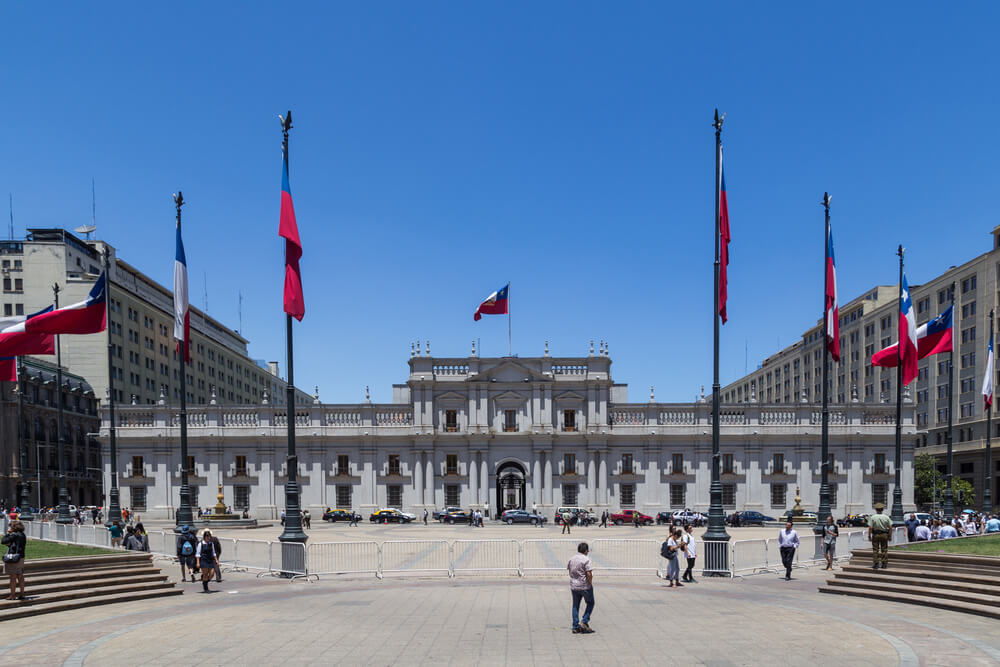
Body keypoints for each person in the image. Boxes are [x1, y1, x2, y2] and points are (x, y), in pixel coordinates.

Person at [567, 542, 595, 634]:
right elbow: (589, 573)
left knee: (575, 605)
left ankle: (575, 626)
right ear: (586, 551)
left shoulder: (572, 558)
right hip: (584, 586)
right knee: (590, 603)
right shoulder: (586, 559)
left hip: (574, 586)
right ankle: (584, 621)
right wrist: (590, 583)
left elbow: (570, 570)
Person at [2, 520, 26, 601]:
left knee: (13, 577)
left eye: (10, 526)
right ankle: (22, 594)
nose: (9, 528)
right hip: (21, 557)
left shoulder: (14, 535)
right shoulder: (22, 535)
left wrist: (8, 533)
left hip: (13, 558)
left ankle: (12, 595)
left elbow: (3, 541)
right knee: (20, 576)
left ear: (14, 527)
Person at [867, 502, 892, 569]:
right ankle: (884, 564)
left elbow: (870, 528)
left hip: (876, 535)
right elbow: (890, 527)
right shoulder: (886, 517)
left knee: (875, 550)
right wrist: (890, 536)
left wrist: (869, 536)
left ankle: (876, 564)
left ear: (876, 509)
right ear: (882, 509)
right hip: (884, 534)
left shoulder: (873, 517)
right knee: (884, 549)